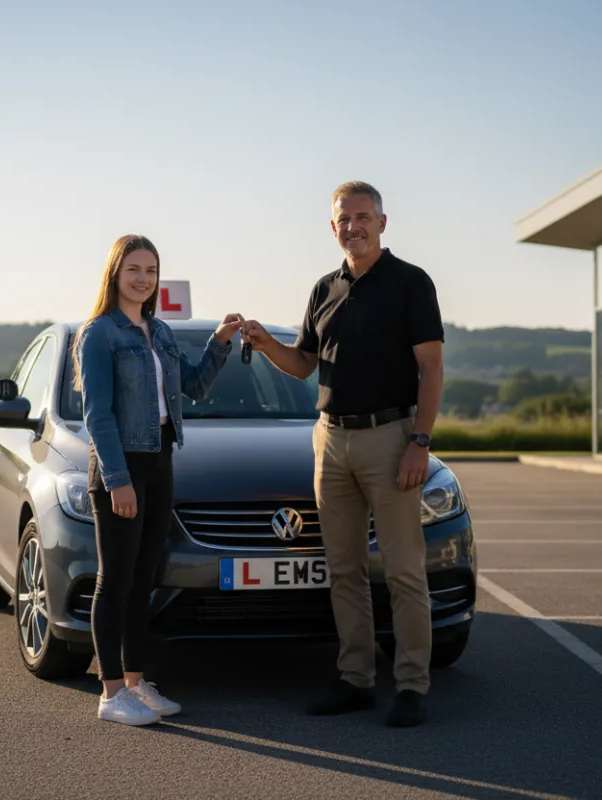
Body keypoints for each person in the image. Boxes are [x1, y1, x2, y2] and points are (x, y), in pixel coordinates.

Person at [241, 182, 444, 728]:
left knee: (403, 571)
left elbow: (431, 369)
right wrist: (266, 344)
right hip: (329, 440)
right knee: (344, 570)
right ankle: (356, 679)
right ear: (333, 228)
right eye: (344, 220)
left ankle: (412, 685)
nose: (353, 227)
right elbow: (304, 364)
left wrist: (420, 442)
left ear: (382, 222)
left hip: (390, 438)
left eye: (362, 217)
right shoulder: (323, 289)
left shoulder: (411, 282)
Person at [73, 234, 243, 726]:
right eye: (134, 269)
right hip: (121, 465)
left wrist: (220, 342)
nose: (143, 278)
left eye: (150, 270)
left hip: (159, 462)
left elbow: (194, 386)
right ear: (115, 274)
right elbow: (97, 415)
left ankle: (135, 682)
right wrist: (117, 480)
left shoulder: (160, 331)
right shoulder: (99, 334)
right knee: (114, 581)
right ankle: (110, 694)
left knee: (143, 580)